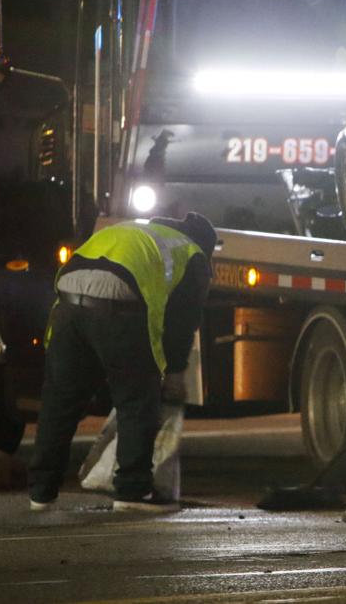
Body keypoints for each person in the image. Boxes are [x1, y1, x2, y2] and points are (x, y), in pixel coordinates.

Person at [28, 212, 216, 513]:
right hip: (117, 306)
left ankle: (41, 492)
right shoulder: (192, 255)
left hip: (67, 303)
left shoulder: (139, 232)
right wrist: (174, 371)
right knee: (137, 400)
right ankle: (131, 492)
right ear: (204, 244)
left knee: (60, 401)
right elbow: (183, 323)